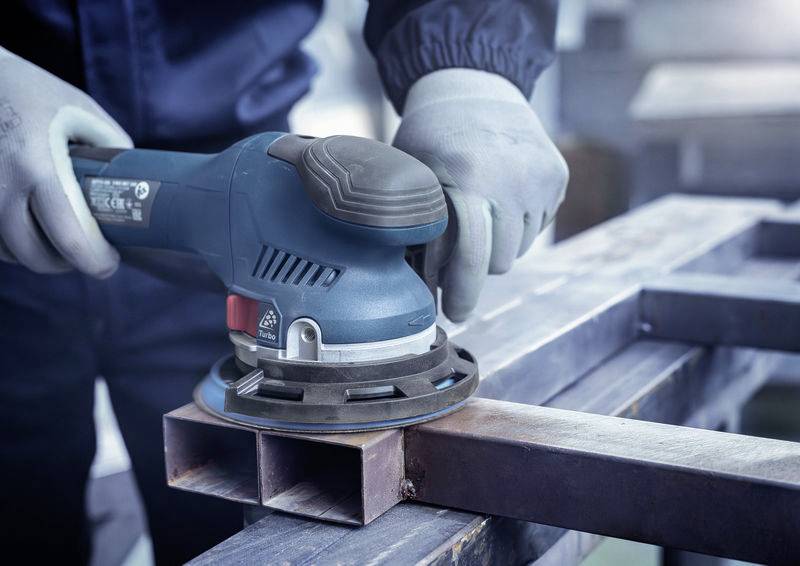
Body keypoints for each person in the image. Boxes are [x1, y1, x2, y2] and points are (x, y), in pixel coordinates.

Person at [0, 1, 568, 563]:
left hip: (235, 218)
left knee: (224, 527)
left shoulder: (271, 218)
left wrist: (469, 67)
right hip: (14, 178)